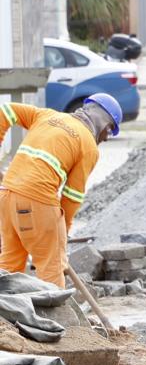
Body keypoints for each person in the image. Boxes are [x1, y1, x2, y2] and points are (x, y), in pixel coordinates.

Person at [0, 94, 122, 287]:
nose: (106, 139)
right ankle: (55, 307)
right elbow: (72, 196)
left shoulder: (47, 115)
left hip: (7, 196)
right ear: (105, 125)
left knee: (9, 267)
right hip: (38, 200)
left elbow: (5, 110)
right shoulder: (89, 146)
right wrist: (61, 232)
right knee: (51, 269)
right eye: (110, 132)